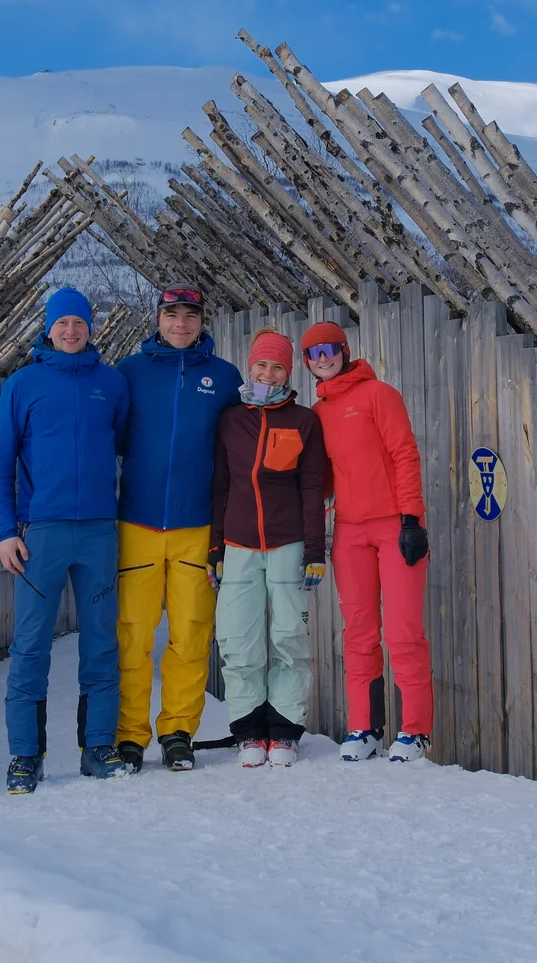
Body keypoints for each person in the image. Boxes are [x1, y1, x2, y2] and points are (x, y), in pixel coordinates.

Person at [0, 286, 131, 794]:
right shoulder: (22, 385)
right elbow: (0, 464)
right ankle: (26, 755)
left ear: (91, 328)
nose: (71, 331)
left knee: (101, 644)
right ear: (48, 328)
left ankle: (97, 747)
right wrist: (6, 532)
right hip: (39, 536)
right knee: (30, 647)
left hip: (97, 532)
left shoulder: (111, 385)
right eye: (62, 323)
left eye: (80, 323)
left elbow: (120, 443)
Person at [111, 284, 241, 773]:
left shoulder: (224, 377)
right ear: (158, 319)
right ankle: (129, 735)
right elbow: (116, 438)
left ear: (201, 320)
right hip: (138, 523)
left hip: (197, 526)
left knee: (190, 633)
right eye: (172, 315)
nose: (180, 324)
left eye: (190, 315)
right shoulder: (130, 372)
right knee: (133, 634)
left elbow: (235, 452)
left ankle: (178, 730)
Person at [299, 321, 433, 764]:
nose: (323, 358)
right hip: (350, 532)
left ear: (343, 350)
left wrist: (412, 517)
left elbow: (404, 453)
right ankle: (365, 727)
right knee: (358, 633)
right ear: (307, 363)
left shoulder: (379, 394)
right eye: (313, 354)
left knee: (402, 632)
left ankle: (415, 731)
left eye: (329, 349)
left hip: (394, 526)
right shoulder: (318, 415)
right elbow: (321, 480)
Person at [209, 327, 329, 768]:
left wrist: (315, 551)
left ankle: (283, 731)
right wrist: (214, 549)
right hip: (237, 545)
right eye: (261, 364)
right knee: (238, 641)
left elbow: (313, 487)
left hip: (289, 544)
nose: (267, 372)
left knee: (288, 639)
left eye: (277, 366)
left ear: (288, 372)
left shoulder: (304, 421)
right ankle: (247, 731)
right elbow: (220, 486)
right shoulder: (231, 419)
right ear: (249, 366)